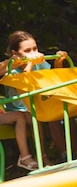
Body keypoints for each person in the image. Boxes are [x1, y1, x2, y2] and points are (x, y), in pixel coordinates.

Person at [1, 31, 72, 166]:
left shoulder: (39, 63)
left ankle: (67, 154)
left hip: (36, 106)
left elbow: (53, 76)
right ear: (15, 54)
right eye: (27, 51)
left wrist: (59, 61)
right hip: (20, 110)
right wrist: (31, 64)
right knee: (35, 117)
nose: (33, 53)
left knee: (58, 111)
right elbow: (24, 83)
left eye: (35, 49)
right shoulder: (12, 70)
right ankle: (40, 157)